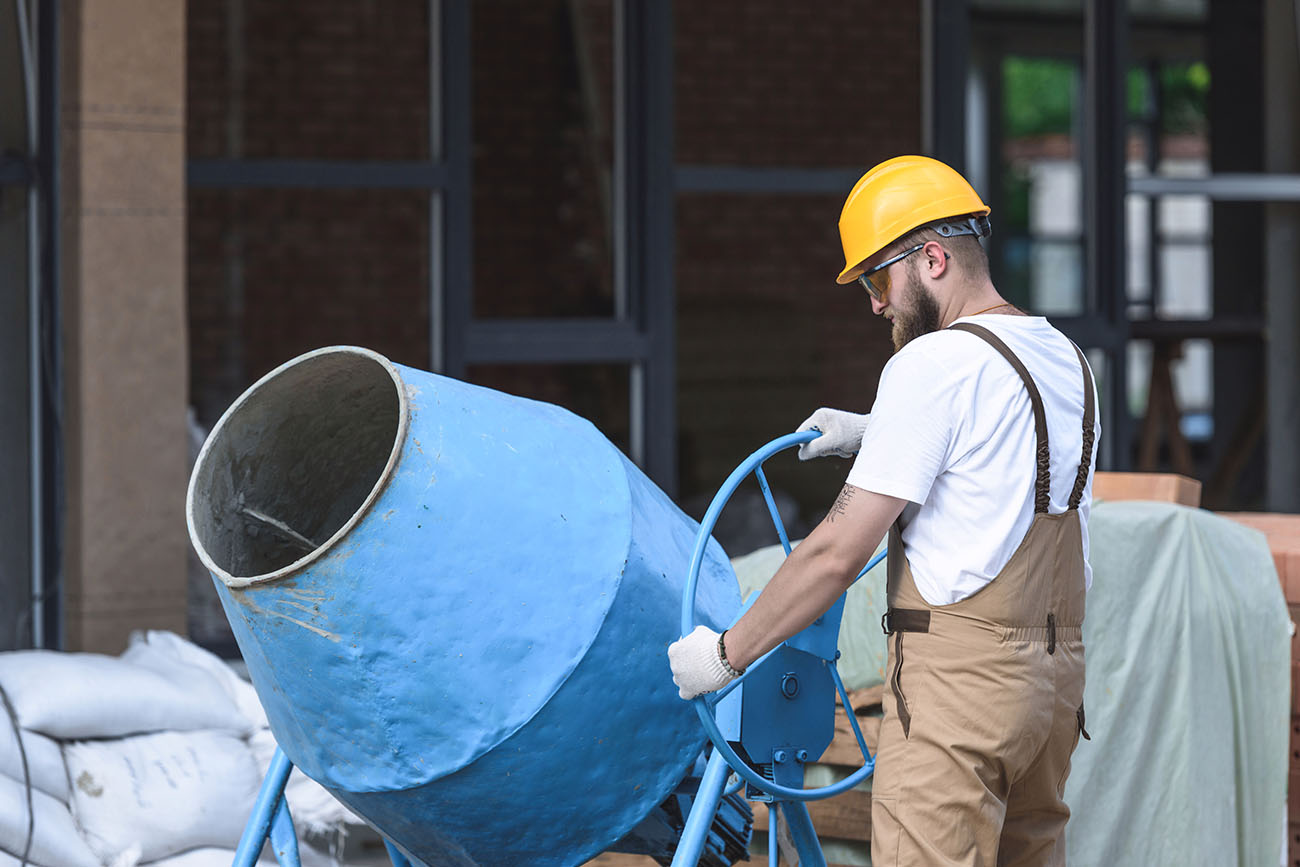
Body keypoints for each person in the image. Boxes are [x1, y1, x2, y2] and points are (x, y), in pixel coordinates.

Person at [668, 154, 1099, 866]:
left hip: (961, 693)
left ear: (931, 258)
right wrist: (877, 431)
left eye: (876, 278)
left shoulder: (929, 366)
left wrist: (724, 654)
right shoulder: (1063, 358)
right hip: (1051, 689)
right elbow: (1006, 458)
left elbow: (837, 552)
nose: (874, 304)